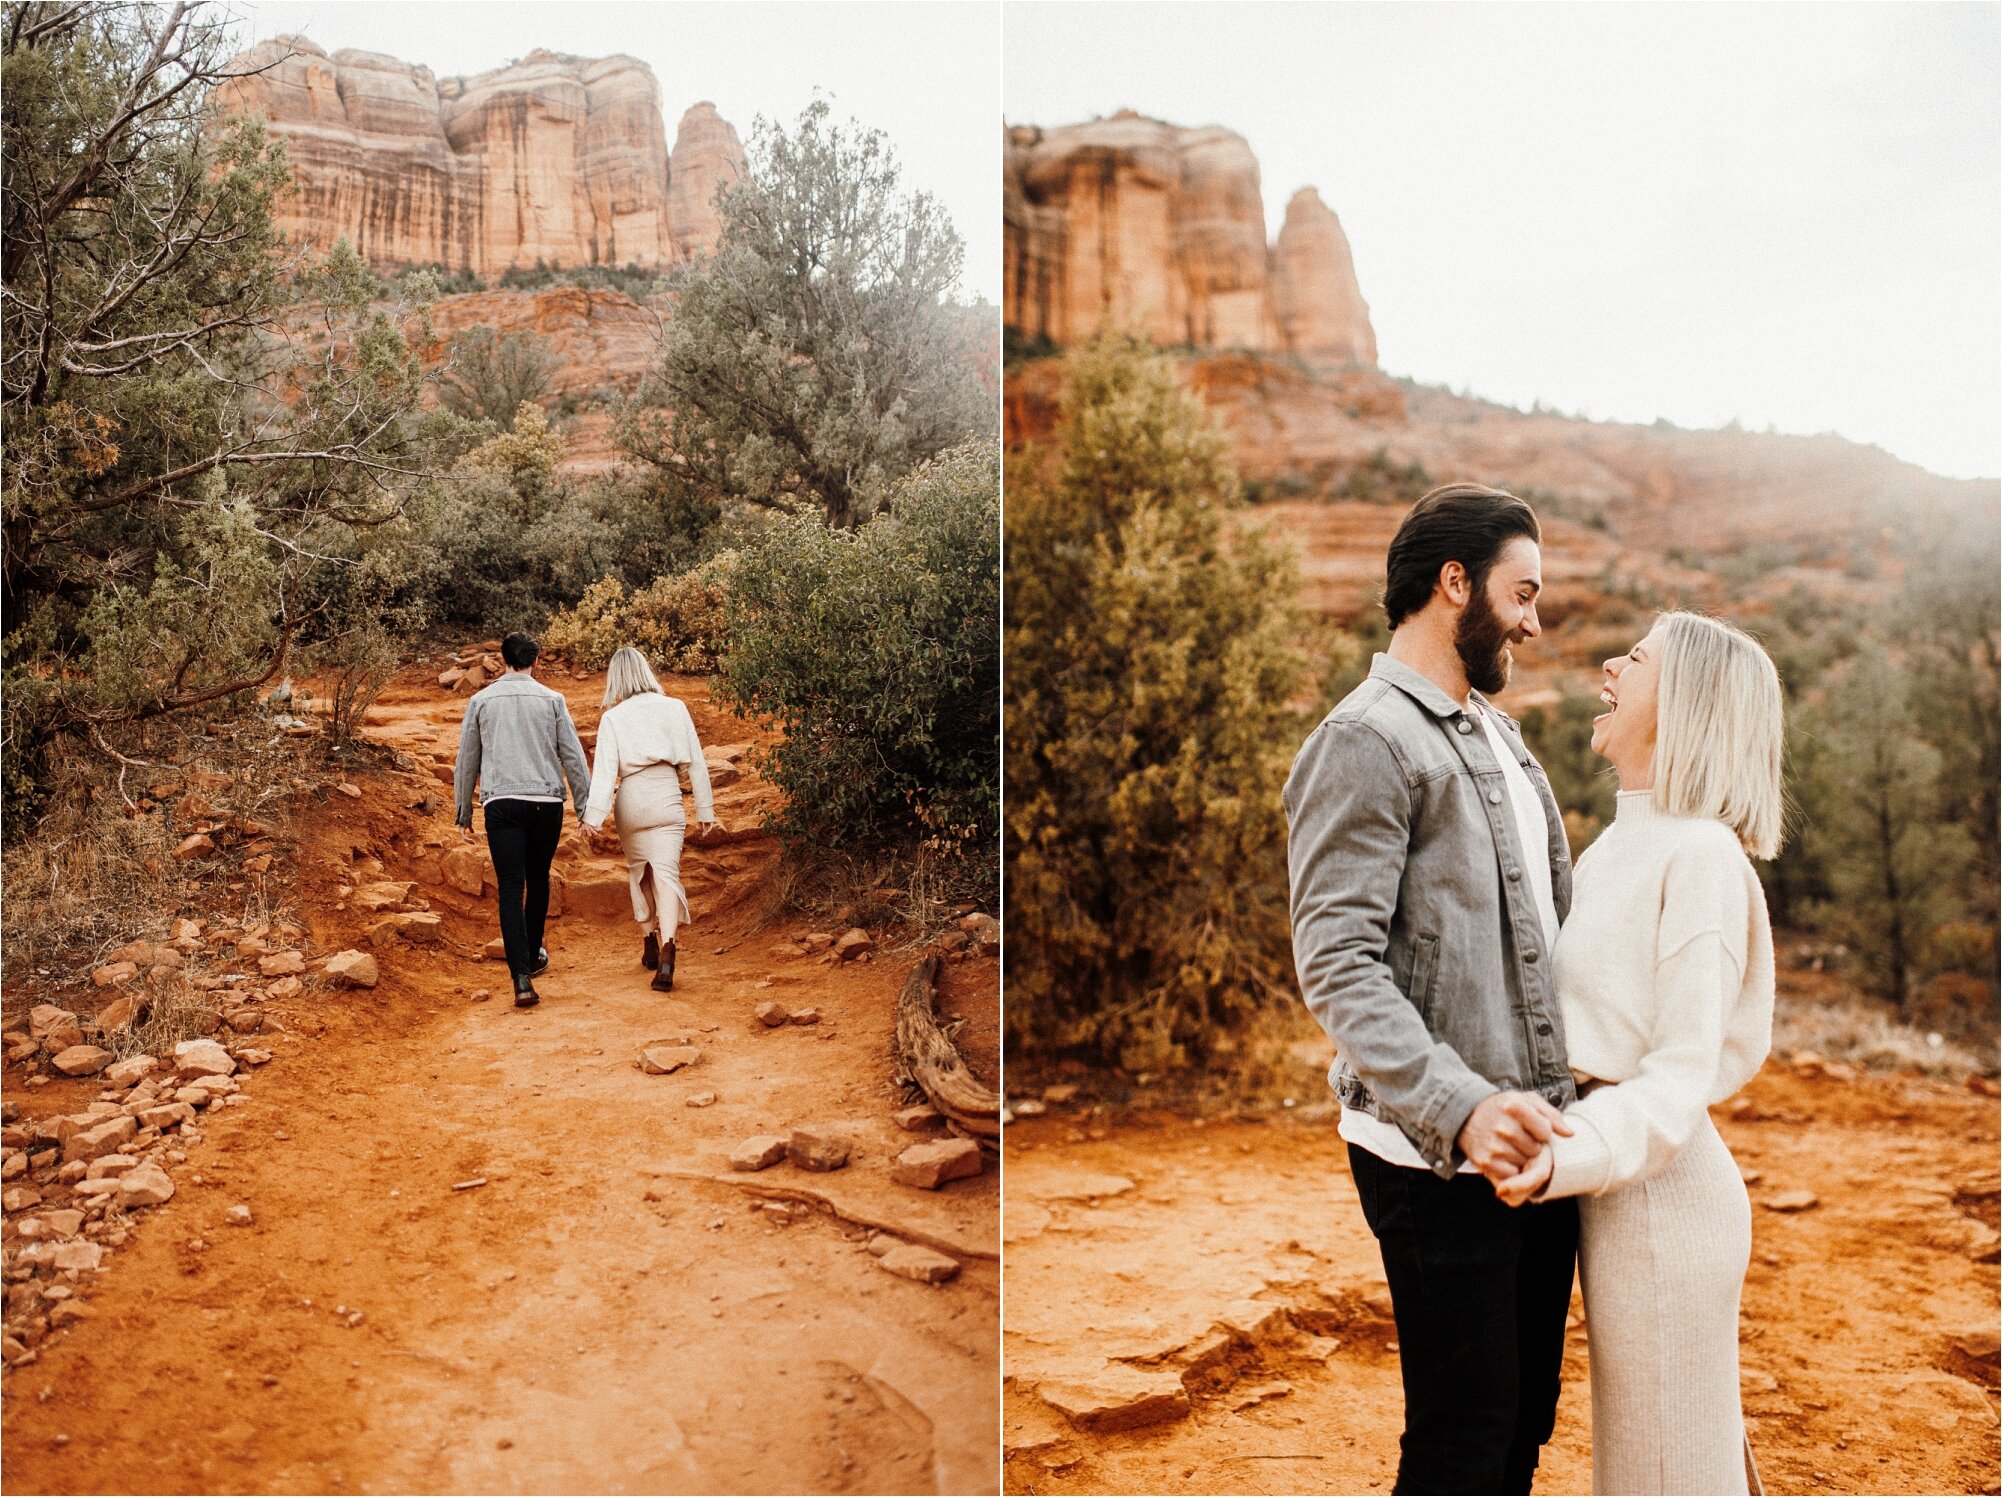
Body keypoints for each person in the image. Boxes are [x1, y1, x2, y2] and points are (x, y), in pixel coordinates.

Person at [1284, 483, 1580, 1495]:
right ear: (1455, 582)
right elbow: (1336, 962)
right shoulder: (1365, 740)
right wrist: (1460, 1108)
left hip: (1537, 1141)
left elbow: (1547, 939)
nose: (1535, 620)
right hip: (1431, 1158)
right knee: (1462, 1440)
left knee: (1520, 1427)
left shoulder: (1498, 737)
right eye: (1522, 591)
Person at [1493, 612, 1782, 1496]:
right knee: (1664, 1455)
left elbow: (1680, 1072)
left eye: (1639, 657)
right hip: (1623, 1194)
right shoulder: (1626, 839)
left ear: (1684, 701)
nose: (1610, 666)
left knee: (1662, 1468)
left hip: (1662, 1202)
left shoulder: (1699, 854)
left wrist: (1561, 1154)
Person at [453, 632, 591, 1009]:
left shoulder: (481, 700)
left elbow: (467, 760)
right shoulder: (553, 699)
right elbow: (573, 758)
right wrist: (585, 808)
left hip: (502, 804)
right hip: (546, 803)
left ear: (503, 659)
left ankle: (521, 979)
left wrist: (464, 813)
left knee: (511, 887)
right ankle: (532, 955)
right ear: (535, 661)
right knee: (539, 879)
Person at [579, 647, 716, 992]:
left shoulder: (613, 717)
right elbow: (697, 762)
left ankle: (649, 941)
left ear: (616, 678)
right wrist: (705, 810)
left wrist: (592, 817)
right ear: (645, 671)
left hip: (632, 799)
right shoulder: (675, 707)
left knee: (640, 871)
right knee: (667, 874)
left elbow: (605, 773)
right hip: (666, 795)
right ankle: (669, 947)